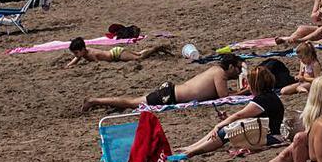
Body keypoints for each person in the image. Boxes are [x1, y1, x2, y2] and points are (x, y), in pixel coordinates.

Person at [179, 65, 285, 156]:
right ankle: (193, 147)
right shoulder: (269, 97)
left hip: (271, 137)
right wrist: (227, 119)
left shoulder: (263, 99)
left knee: (226, 131)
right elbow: (248, 117)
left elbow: (239, 115)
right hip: (268, 134)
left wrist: (219, 125)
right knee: (227, 127)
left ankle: (194, 150)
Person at [82, 54, 243, 111]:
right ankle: (94, 101)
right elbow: (225, 97)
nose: (239, 73)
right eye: (238, 69)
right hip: (170, 96)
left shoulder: (216, 70)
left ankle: (98, 102)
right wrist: (246, 91)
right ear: (230, 66)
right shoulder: (220, 74)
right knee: (132, 102)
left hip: (172, 92)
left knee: (132, 102)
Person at [65, 37, 168, 67]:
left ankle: (154, 49)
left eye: (76, 52)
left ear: (82, 49)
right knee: (138, 53)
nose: (76, 55)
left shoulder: (90, 54)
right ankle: (153, 49)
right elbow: (74, 61)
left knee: (138, 57)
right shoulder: (82, 53)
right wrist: (68, 66)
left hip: (116, 54)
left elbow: (97, 64)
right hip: (115, 52)